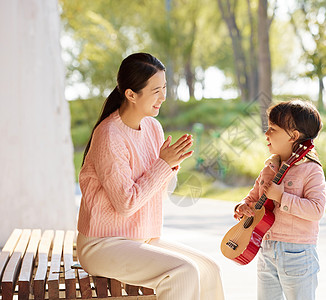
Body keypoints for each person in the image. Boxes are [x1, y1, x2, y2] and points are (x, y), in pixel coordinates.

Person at [76, 52, 224, 300]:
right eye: (156, 91)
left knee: (209, 269)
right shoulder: (109, 135)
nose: (163, 97)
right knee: (183, 272)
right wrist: (162, 164)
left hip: (139, 239)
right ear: (131, 94)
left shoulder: (153, 127)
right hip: (103, 244)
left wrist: (170, 165)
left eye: (164, 87)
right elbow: (126, 204)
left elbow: (160, 193)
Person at [234, 100, 326, 300]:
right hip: (266, 250)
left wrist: (282, 197)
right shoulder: (269, 168)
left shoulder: (311, 169)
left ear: (293, 136)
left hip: (298, 253)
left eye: (272, 129)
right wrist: (243, 207)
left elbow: (316, 209)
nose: (266, 134)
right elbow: (252, 198)